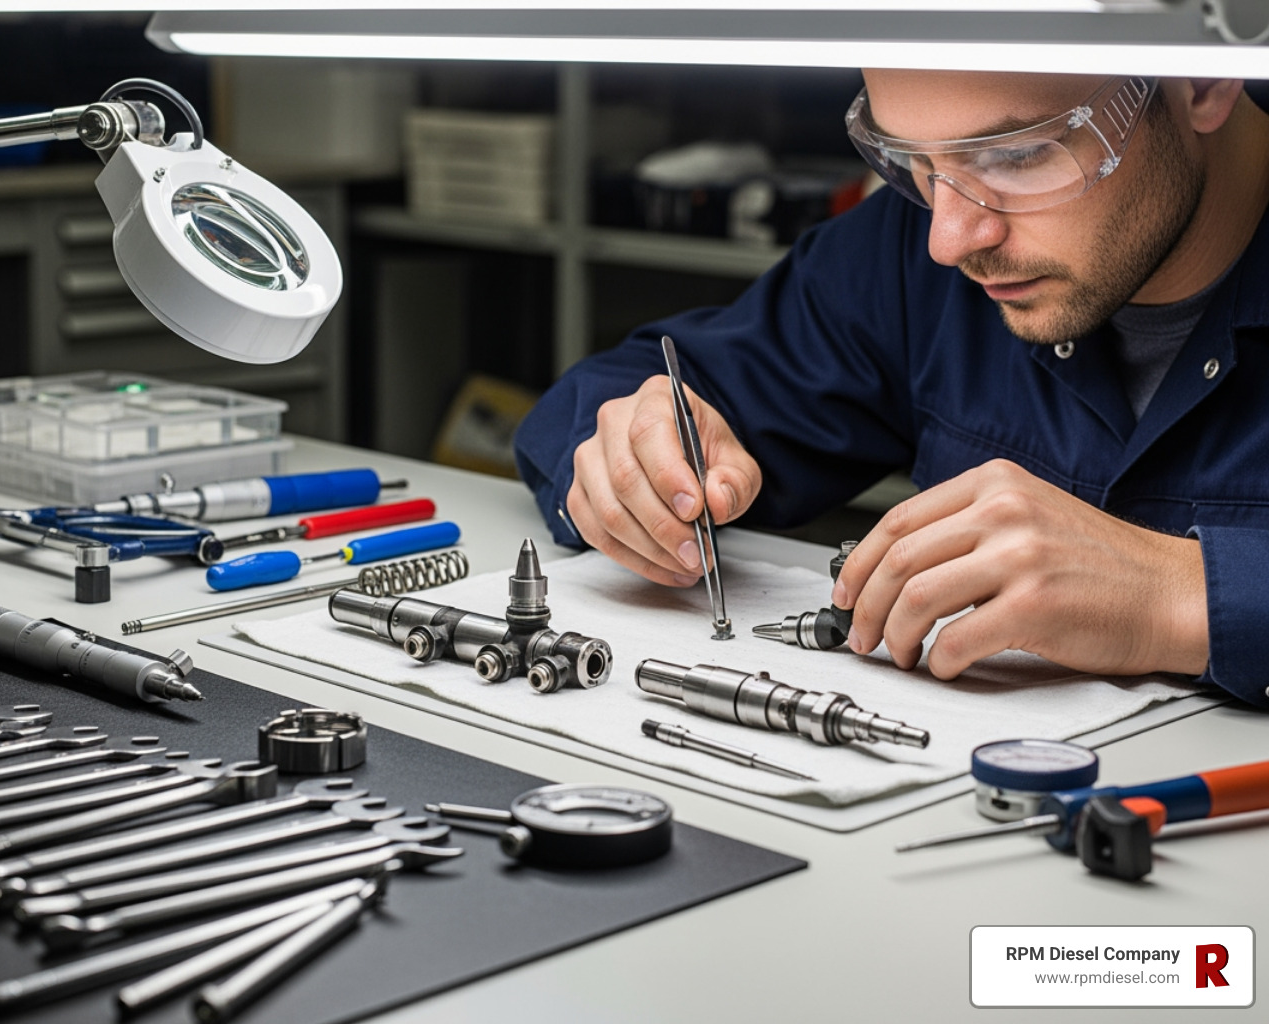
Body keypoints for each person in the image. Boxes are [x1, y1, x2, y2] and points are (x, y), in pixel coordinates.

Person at [514, 71, 1269, 709]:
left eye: (1017, 155)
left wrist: (1178, 595)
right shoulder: (912, 250)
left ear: (1199, 81)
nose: (950, 240)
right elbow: (636, 383)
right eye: (913, 162)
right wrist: (632, 456)